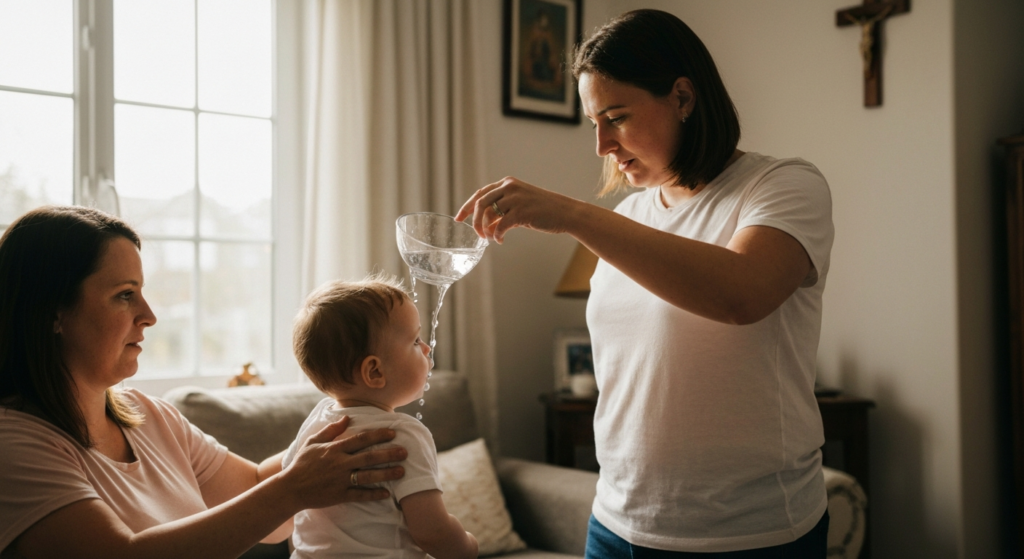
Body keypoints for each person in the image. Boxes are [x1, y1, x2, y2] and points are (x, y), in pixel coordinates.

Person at [456, 9, 835, 558]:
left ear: (682, 98)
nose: (602, 145)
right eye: (594, 123)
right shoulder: (630, 216)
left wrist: (575, 216)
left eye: (616, 117)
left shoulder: (782, 186)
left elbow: (740, 294)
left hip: (750, 533)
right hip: (615, 523)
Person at [0, 206, 408, 558]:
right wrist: (292, 489)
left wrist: (354, 415)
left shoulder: (150, 416)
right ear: (53, 312)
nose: (148, 315)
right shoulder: (14, 444)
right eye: (125, 295)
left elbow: (261, 503)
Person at [285, 276, 478, 559]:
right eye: (415, 341)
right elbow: (432, 532)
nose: (426, 348)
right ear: (374, 372)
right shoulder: (403, 435)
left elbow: (290, 490)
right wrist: (467, 544)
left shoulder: (317, 420)